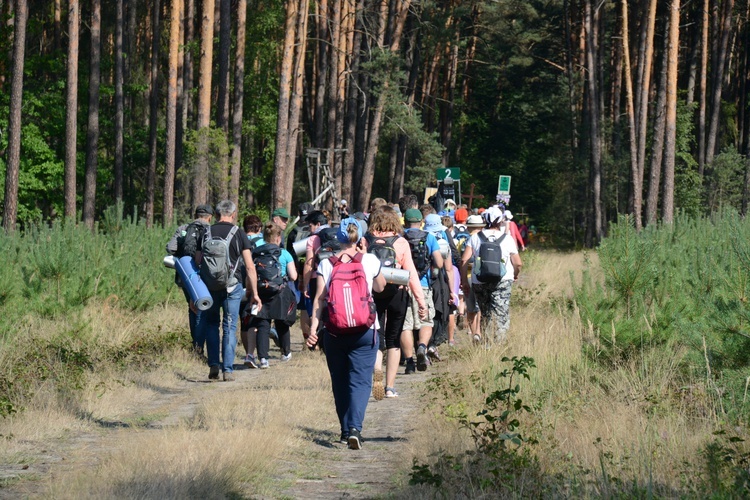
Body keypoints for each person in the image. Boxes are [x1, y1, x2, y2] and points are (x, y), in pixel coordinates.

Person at [307, 218, 386, 449]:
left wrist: (313, 330)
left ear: (338, 238)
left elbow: (319, 300)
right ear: (359, 237)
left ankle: (344, 430)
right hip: (366, 330)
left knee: (340, 380)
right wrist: (367, 255)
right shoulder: (369, 260)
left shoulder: (326, 263)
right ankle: (355, 428)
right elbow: (380, 287)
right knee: (360, 381)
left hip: (334, 331)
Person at [195, 200, 262, 381]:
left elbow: (198, 260)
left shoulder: (206, 232)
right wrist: (254, 293)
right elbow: (249, 266)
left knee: (211, 324)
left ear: (216, 215)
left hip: (210, 287)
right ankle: (228, 370)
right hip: (232, 286)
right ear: (233, 215)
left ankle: (213, 364)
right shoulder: (238, 233)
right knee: (230, 326)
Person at [366, 207, 427, 399]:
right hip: (396, 293)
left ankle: (376, 368)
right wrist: (421, 301)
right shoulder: (400, 242)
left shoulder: (365, 240)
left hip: (373, 293)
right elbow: (411, 275)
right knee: (394, 340)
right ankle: (389, 386)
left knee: (376, 337)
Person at [460, 206, 522, 343]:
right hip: (502, 281)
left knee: (485, 312)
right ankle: (499, 345)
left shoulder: (476, 238)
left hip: (479, 281)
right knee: (501, 314)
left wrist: (464, 281)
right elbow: (518, 263)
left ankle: (486, 344)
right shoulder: (507, 239)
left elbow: (464, 260)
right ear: (500, 221)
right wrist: (515, 275)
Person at [247, 223, 298, 368]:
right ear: (278, 237)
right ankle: (285, 352)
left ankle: (263, 358)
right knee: (282, 322)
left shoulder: (256, 252)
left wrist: (251, 292)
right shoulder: (284, 253)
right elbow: (293, 276)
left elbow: (251, 273)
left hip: (261, 291)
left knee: (263, 324)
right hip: (280, 292)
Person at [166, 204, 213, 355]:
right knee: (203, 309)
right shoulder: (211, 230)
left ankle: (196, 345)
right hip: (206, 275)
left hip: (186, 276)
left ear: (195, 214)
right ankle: (200, 347)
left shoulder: (183, 228)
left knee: (193, 308)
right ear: (210, 217)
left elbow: (170, 248)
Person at [401, 209, 443, 373]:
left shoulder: (400, 238)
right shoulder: (429, 237)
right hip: (424, 285)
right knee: (426, 321)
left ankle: (409, 361)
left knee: (405, 325)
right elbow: (439, 262)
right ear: (422, 222)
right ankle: (422, 348)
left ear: (404, 222)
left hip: (403, 285)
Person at [240, 214, 264, 363]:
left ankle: (248, 352)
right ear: (259, 228)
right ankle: (255, 353)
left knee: (244, 321)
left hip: (240, 285)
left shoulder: (239, 240)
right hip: (260, 285)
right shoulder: (263, 242)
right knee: (258, 320)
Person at [463, 214, 485, 342]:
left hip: (468, 275)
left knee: (471, 308)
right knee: (481, 307)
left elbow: (461, 260)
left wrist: (462, 280)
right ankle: (479, 332)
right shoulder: (484, 239)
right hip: (481, 275)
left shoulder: (465, 240)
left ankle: (473, 334)